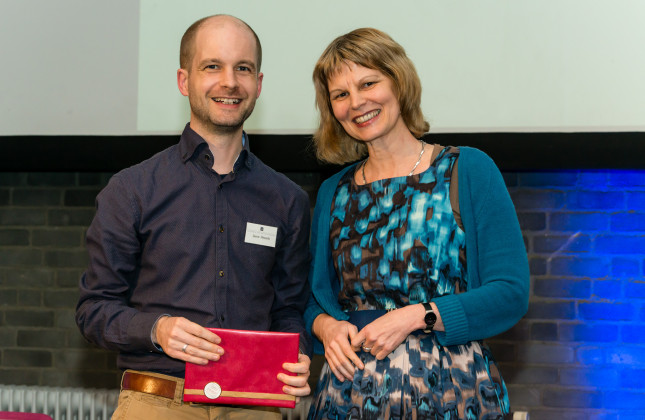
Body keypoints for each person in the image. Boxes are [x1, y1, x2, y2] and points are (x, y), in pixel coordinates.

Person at [76, 14, 312, 420]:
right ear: (184, 81)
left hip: (253, 402)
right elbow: (94, 310)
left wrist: (299, 353)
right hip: (157, 400)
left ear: (258, 84)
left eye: (243, 68)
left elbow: (289, 309)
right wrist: (156, 329)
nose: (230, 82)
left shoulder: (286, 200)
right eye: (212, 66)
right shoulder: (132, 190)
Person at [304, 28, 530, 419]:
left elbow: (510, 292)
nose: (356, 103)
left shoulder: (468, 169)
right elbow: (311, 298)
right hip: (348, 398)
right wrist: (324, 325)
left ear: (398, 80)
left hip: (456, 396)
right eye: (340, 95)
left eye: (368, 83)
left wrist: (416, 315)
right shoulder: (332, 192)